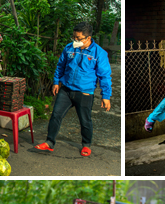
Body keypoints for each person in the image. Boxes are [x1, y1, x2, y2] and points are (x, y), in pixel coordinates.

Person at [34, 23, 113, 157]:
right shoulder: (69, 48)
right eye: (74, 37)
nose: (75, 41)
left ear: (88, 38)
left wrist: (106, 96)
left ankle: (86, 145)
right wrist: (56, 82)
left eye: (79, 38)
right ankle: (49, 142)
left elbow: (104, 76)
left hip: (85, 92)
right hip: (66, 90)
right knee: (56, 115)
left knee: (85, 120)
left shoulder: (99, 53)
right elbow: (60, 66)